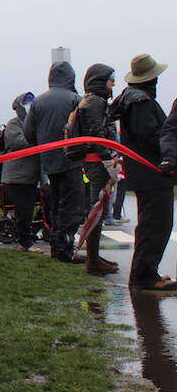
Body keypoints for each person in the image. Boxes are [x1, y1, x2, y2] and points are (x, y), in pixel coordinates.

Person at [112, 54, 177, 291]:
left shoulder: (131, 98)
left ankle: (147, 272)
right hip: (152, 172)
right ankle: (144, 276)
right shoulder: (141, 101)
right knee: (155, 225)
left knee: (152, 224)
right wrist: (170, 155)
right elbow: (150, 137)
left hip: (144, 172)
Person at [23, 62, 84, 264]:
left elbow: (28, 133)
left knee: (55, 203)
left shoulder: (38, 102)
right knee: (71, 204)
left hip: (48, 161)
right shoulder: (76, 100)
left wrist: (44, 144)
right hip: (72, 159)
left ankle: (55, 246)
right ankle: (65, 249)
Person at [71, 63, 120, 275]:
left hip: (95, 161)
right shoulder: (94, 103)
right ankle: (92, 261)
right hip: (96, 162)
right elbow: (96, 134)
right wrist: (108, 160)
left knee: (97, 209)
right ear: (100, 81)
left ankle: (94, 256)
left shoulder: (92, 101)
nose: (114, 83)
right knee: (96, 210)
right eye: (110, 79)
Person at [1, 92, 40, 251]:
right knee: (24, 211)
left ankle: (28, 236)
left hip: (31, 176)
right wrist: (39, 137)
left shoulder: (35, 123)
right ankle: (25, 243)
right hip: (16, 178)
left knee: (29, 209)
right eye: (27, 103)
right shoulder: (13, 124)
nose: (30, 105)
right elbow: (18, 143)